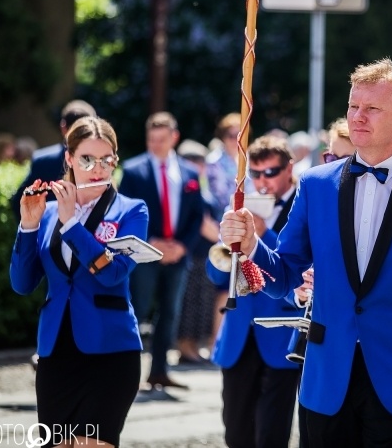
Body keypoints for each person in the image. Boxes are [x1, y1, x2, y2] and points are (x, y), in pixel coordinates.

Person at [219, 58, 392, 448]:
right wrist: (252, 244)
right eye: (353, 106)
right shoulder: (316, 185)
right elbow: (284, 276)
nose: (358, 117)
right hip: (327, 379)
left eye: (372, 108)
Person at [10, 116, 147, 448]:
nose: (98, 168)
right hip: (57, 352)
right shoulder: (47, 212)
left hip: (111, 350)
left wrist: (71, 223)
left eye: (107, 159)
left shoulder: (132, 210)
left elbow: (114, 273)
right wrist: (27, 227)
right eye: (87, 159)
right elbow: (22, 283)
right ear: (69, 159)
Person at [206, 135, 305, 448]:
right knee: (235, 431)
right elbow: (215, 273)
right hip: (239, 330)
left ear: (289, 169)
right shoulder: (239, 205)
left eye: (271, 172)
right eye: (256, 174)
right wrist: (226, 245)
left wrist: (263, 235)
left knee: (271, 433)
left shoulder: (304, 203)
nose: (263, 182)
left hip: (281, 328)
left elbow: (297, 265)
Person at [118, 112, 204, 390]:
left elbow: (196, 216)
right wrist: (151, 242)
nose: (155, 144)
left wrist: (181, 246)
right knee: (138, 310)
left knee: (169, 313)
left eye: (161, 139)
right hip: (145, 252)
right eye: (151, 139)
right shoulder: (133, 170)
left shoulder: (190, 173)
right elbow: (122, 212)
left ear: (174, 138)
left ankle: (159, 371)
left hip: (177, 255)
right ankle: (122, 370)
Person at [175, 139, 220, 364]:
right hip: (193, 254)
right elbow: (203, 224)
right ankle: (185, 346)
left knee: (201, 303)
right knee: (189, 305)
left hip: (205, 255)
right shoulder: (187, 188)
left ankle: (192, 345)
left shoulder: (200, 187)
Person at [11, 100, 97, 220]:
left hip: (51, 233)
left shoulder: (42, 161)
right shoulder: (102, 162)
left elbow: (20, 202)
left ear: (63, 127)